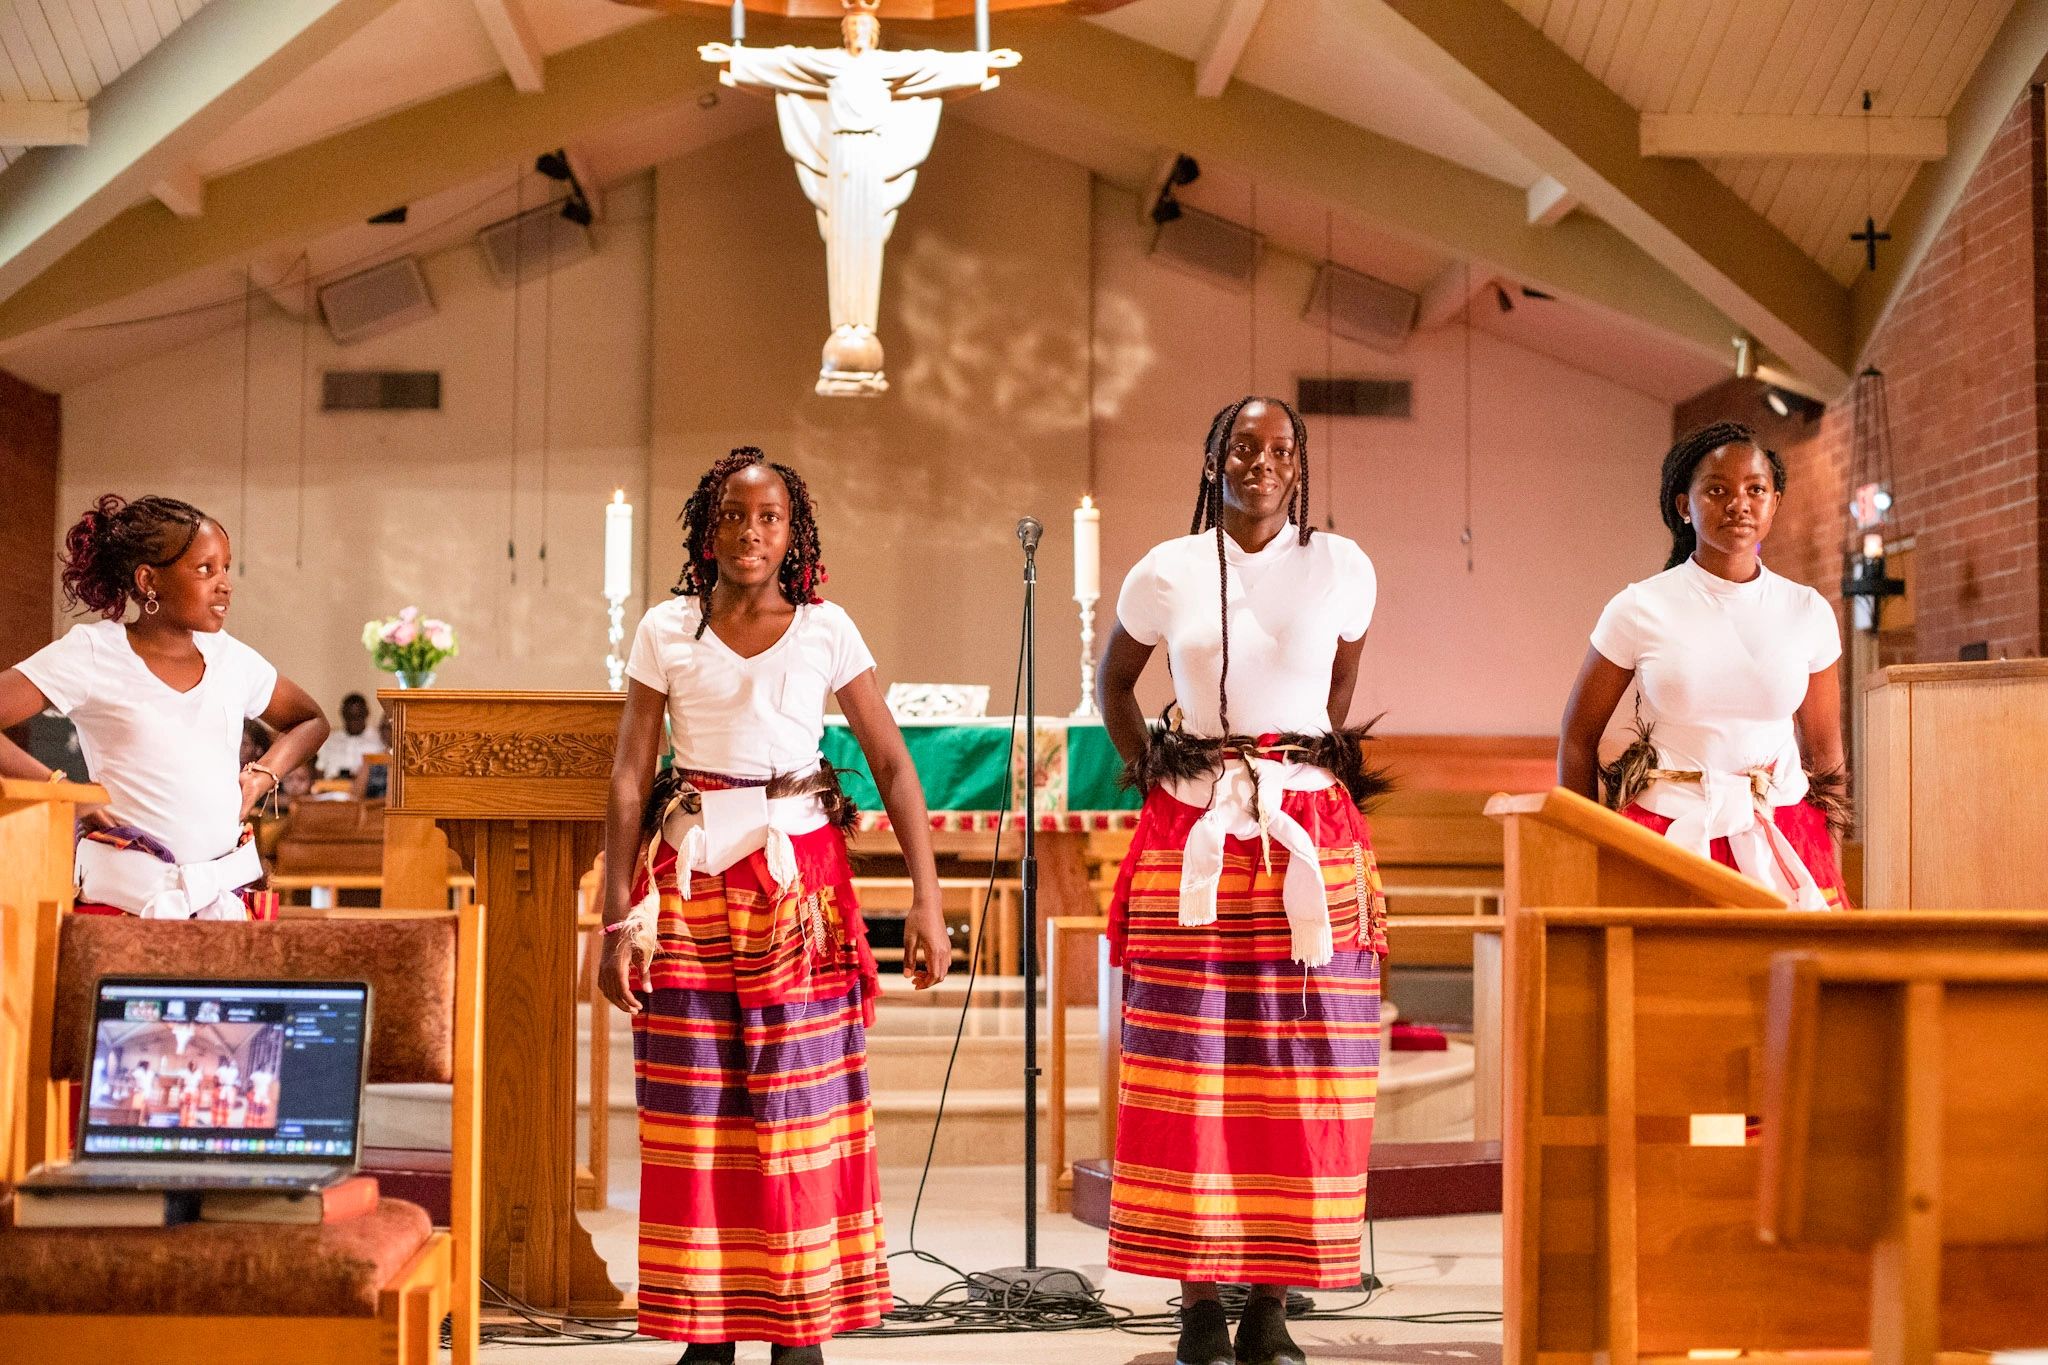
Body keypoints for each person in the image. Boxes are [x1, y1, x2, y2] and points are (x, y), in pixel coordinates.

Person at [597, 447, 951, 1365]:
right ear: (706, 528)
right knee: (696, 1110)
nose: (750, 533)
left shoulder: (828, 629)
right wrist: (609, 918)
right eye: (734, 516)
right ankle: (706, 1330)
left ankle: (801, 1330)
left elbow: (894, 763)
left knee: (801, 1111)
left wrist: (926, 897)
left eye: (770, 518)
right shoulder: (666, 628)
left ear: (795, 535)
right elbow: (631, 775)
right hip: (688, 886)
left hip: (799, 890)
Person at [1096, 397, 1388, 1365]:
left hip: (1304, 827)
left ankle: (1267, 1297)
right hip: (1196, 830)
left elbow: (1335, 696)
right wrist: (1156, 770)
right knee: (1191, 1068)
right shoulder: (1166, 568)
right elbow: (1113, 685)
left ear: (1298, 468)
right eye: (1240, 446)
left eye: (1278, 449)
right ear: (1211, 455)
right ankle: (1195, 1300)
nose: (1258, 462)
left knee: (1296, 1067)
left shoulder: (1342, 567)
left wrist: (1293, 761)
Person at [1558, 421, 1850, 908]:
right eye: (1717, 490)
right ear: (1684, 507)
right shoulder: (1639, 607)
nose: (1739, 503)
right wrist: (1587, 849)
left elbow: (1825, 750)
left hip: (1785, 830)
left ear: (1774, 502)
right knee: (1666, 980)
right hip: (1666, 829)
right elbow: (1578, 736)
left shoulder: (1807, 610)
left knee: (1792, 979)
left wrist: (1831, 862)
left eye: (1756, 489)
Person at [0, 495, 328, 918]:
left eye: (225, 567)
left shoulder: (232, 659)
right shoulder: (94, 652)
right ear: (148, 580)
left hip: (222, 897)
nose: (224, 583)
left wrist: (263, 776)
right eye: (205, 569)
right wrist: (65, 791)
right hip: (127, 902)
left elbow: (310, 720)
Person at [315, 693, 381, 777]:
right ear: (342, 714)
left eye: (358, 717)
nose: (354, 722)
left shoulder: (378, 740)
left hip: (367, 789)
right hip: (332, 788)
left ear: (366, 713)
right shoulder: (330, 740)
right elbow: (319, 770)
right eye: (350, 717)